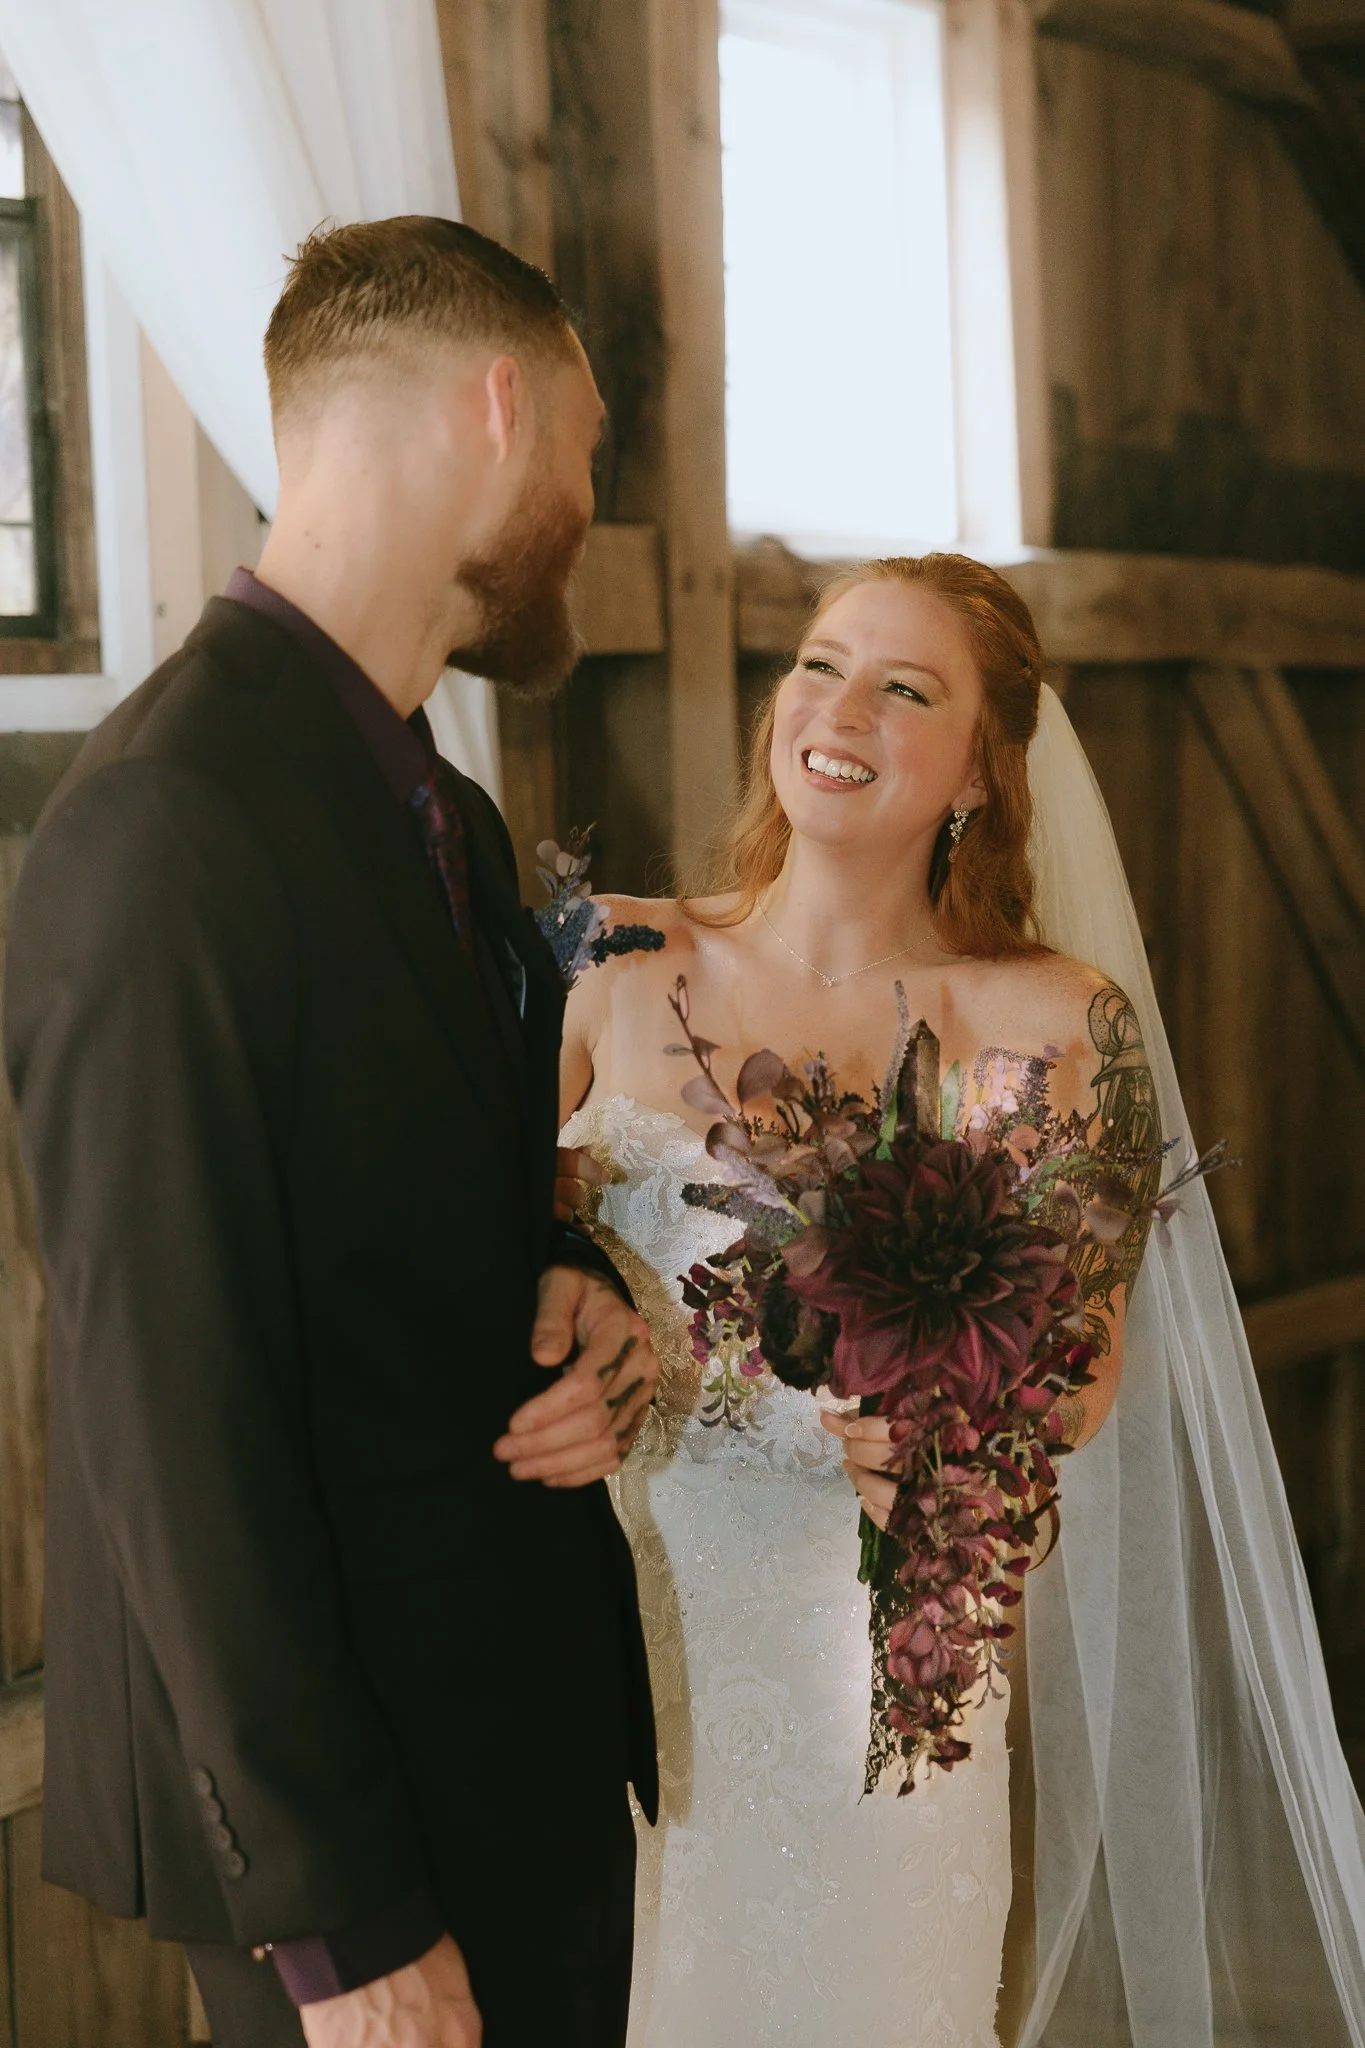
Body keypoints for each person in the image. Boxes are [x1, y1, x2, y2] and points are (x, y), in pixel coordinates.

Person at [557, 554, 1365, 2045]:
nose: (838, 704)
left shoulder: (1059, 1027)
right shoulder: (612, 958)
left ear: (980, 776)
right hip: (603, 1648)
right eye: (817, 662)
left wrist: (949, 1445)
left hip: (882, 1677)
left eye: (904, 688)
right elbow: (496, 1269)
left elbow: (1080, 1372)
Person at [4, 217, 660, 2048]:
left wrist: (572, 1287)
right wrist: (339, 1928)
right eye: (594, 456)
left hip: (500, 1745)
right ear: (503, 410)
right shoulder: (163, 825)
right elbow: (164, 1418)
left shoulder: (430, 804)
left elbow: (404, 1208)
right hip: (353, 1837)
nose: (591, 512)